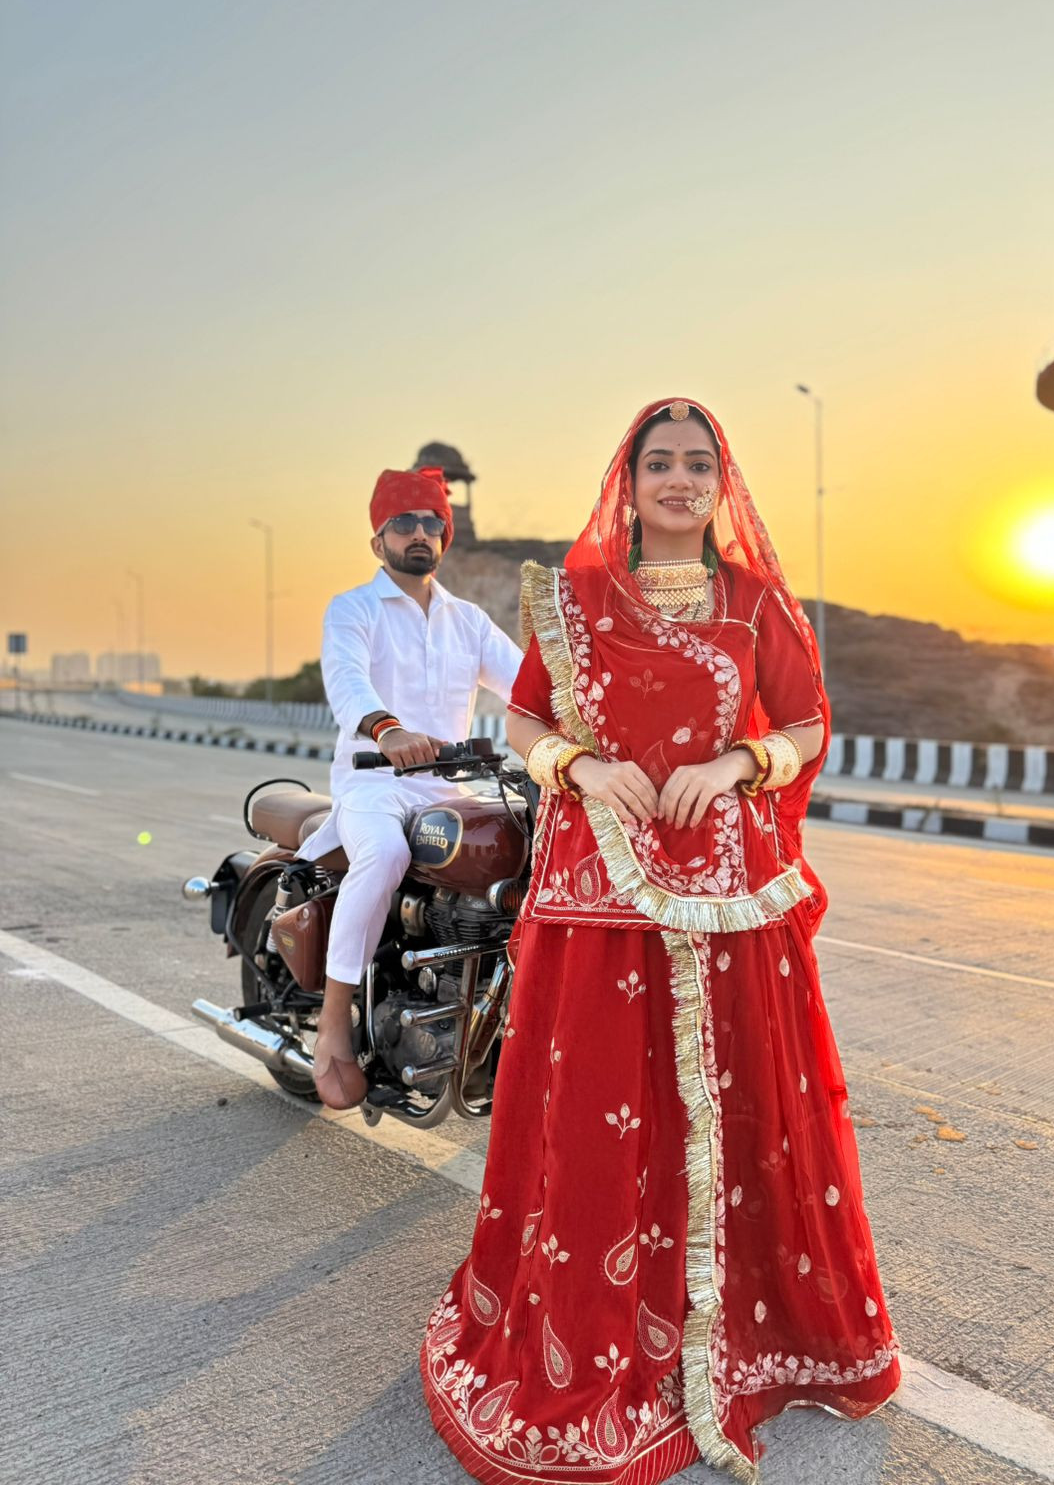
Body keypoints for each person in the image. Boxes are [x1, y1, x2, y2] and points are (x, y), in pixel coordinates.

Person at [420, 400, 901, 1483]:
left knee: (745, 1110)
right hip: (600, 894)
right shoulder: (577, 599)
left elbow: (806, 722)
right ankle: (594, 1343)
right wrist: (582, 769)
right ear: (627, 484)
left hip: (730, 898)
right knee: (596, 1115)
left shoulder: (756, 603)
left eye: (699, 464)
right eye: (660, 464)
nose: (680, 481)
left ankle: (766, 1338)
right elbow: (529, 722)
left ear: (721, 485)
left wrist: (737, 766)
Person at [296, 465, 522, 1110]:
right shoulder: (354, 609)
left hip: (452, 789)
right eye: (405, 524)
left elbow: (527, 685)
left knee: (522, 858)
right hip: (375, 782)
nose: (419, 533)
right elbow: (345, 679)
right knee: (388, 856)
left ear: (444, 536)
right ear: (379, 540)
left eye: (431, 523)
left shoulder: (469, 621)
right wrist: (386, 729)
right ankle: (334, 1025)